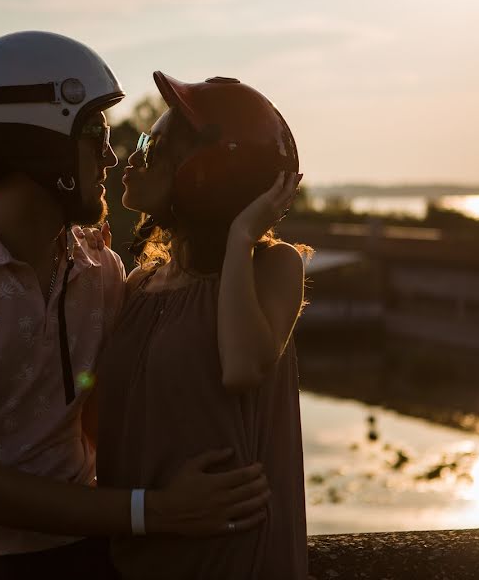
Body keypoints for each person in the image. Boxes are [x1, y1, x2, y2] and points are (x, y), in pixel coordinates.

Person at [0, 33, 270, 579]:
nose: (110, 155)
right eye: (93, 135)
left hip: (77, 544)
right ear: (39, 143)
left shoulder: (102, 273)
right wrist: (158, 510)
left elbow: (99, 426)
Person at [96, 72, 309, 579]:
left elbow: (242, 368)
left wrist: (239, 238)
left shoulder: (272, 267)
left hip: (232, 558)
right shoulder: (137, 286)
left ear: (207, 170)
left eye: (153, 143)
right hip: (140, 555)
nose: (135, 153)